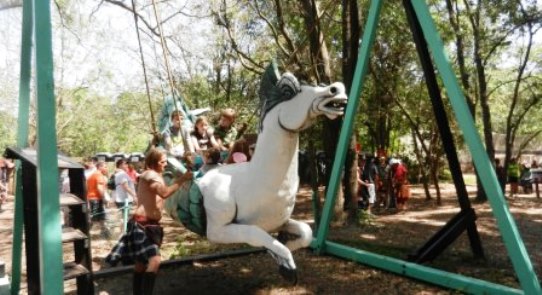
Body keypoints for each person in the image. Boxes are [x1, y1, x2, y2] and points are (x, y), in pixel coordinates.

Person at [106, 148, 193, 295]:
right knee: (155, 260)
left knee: (141, 264)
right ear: (153, 162)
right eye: (162, 161)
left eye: (166, 161)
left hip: (149, 225)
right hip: (143, 225)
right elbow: (164, 193)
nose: (165, 164)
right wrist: (182, 179)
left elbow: (162, 193)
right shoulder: (150, 175)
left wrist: (180, 178)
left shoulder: (155, 175)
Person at [86, 161, 110, 236]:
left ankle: (105, 233)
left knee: (101, 216)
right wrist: (104, 198)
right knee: (94, 217)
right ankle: (85, 232)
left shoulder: (93, 174)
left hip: (93, 198)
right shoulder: (98, 175)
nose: (106, 168)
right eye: (105, 166)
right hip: (96, 198)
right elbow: (99, 187)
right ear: (100, 167)